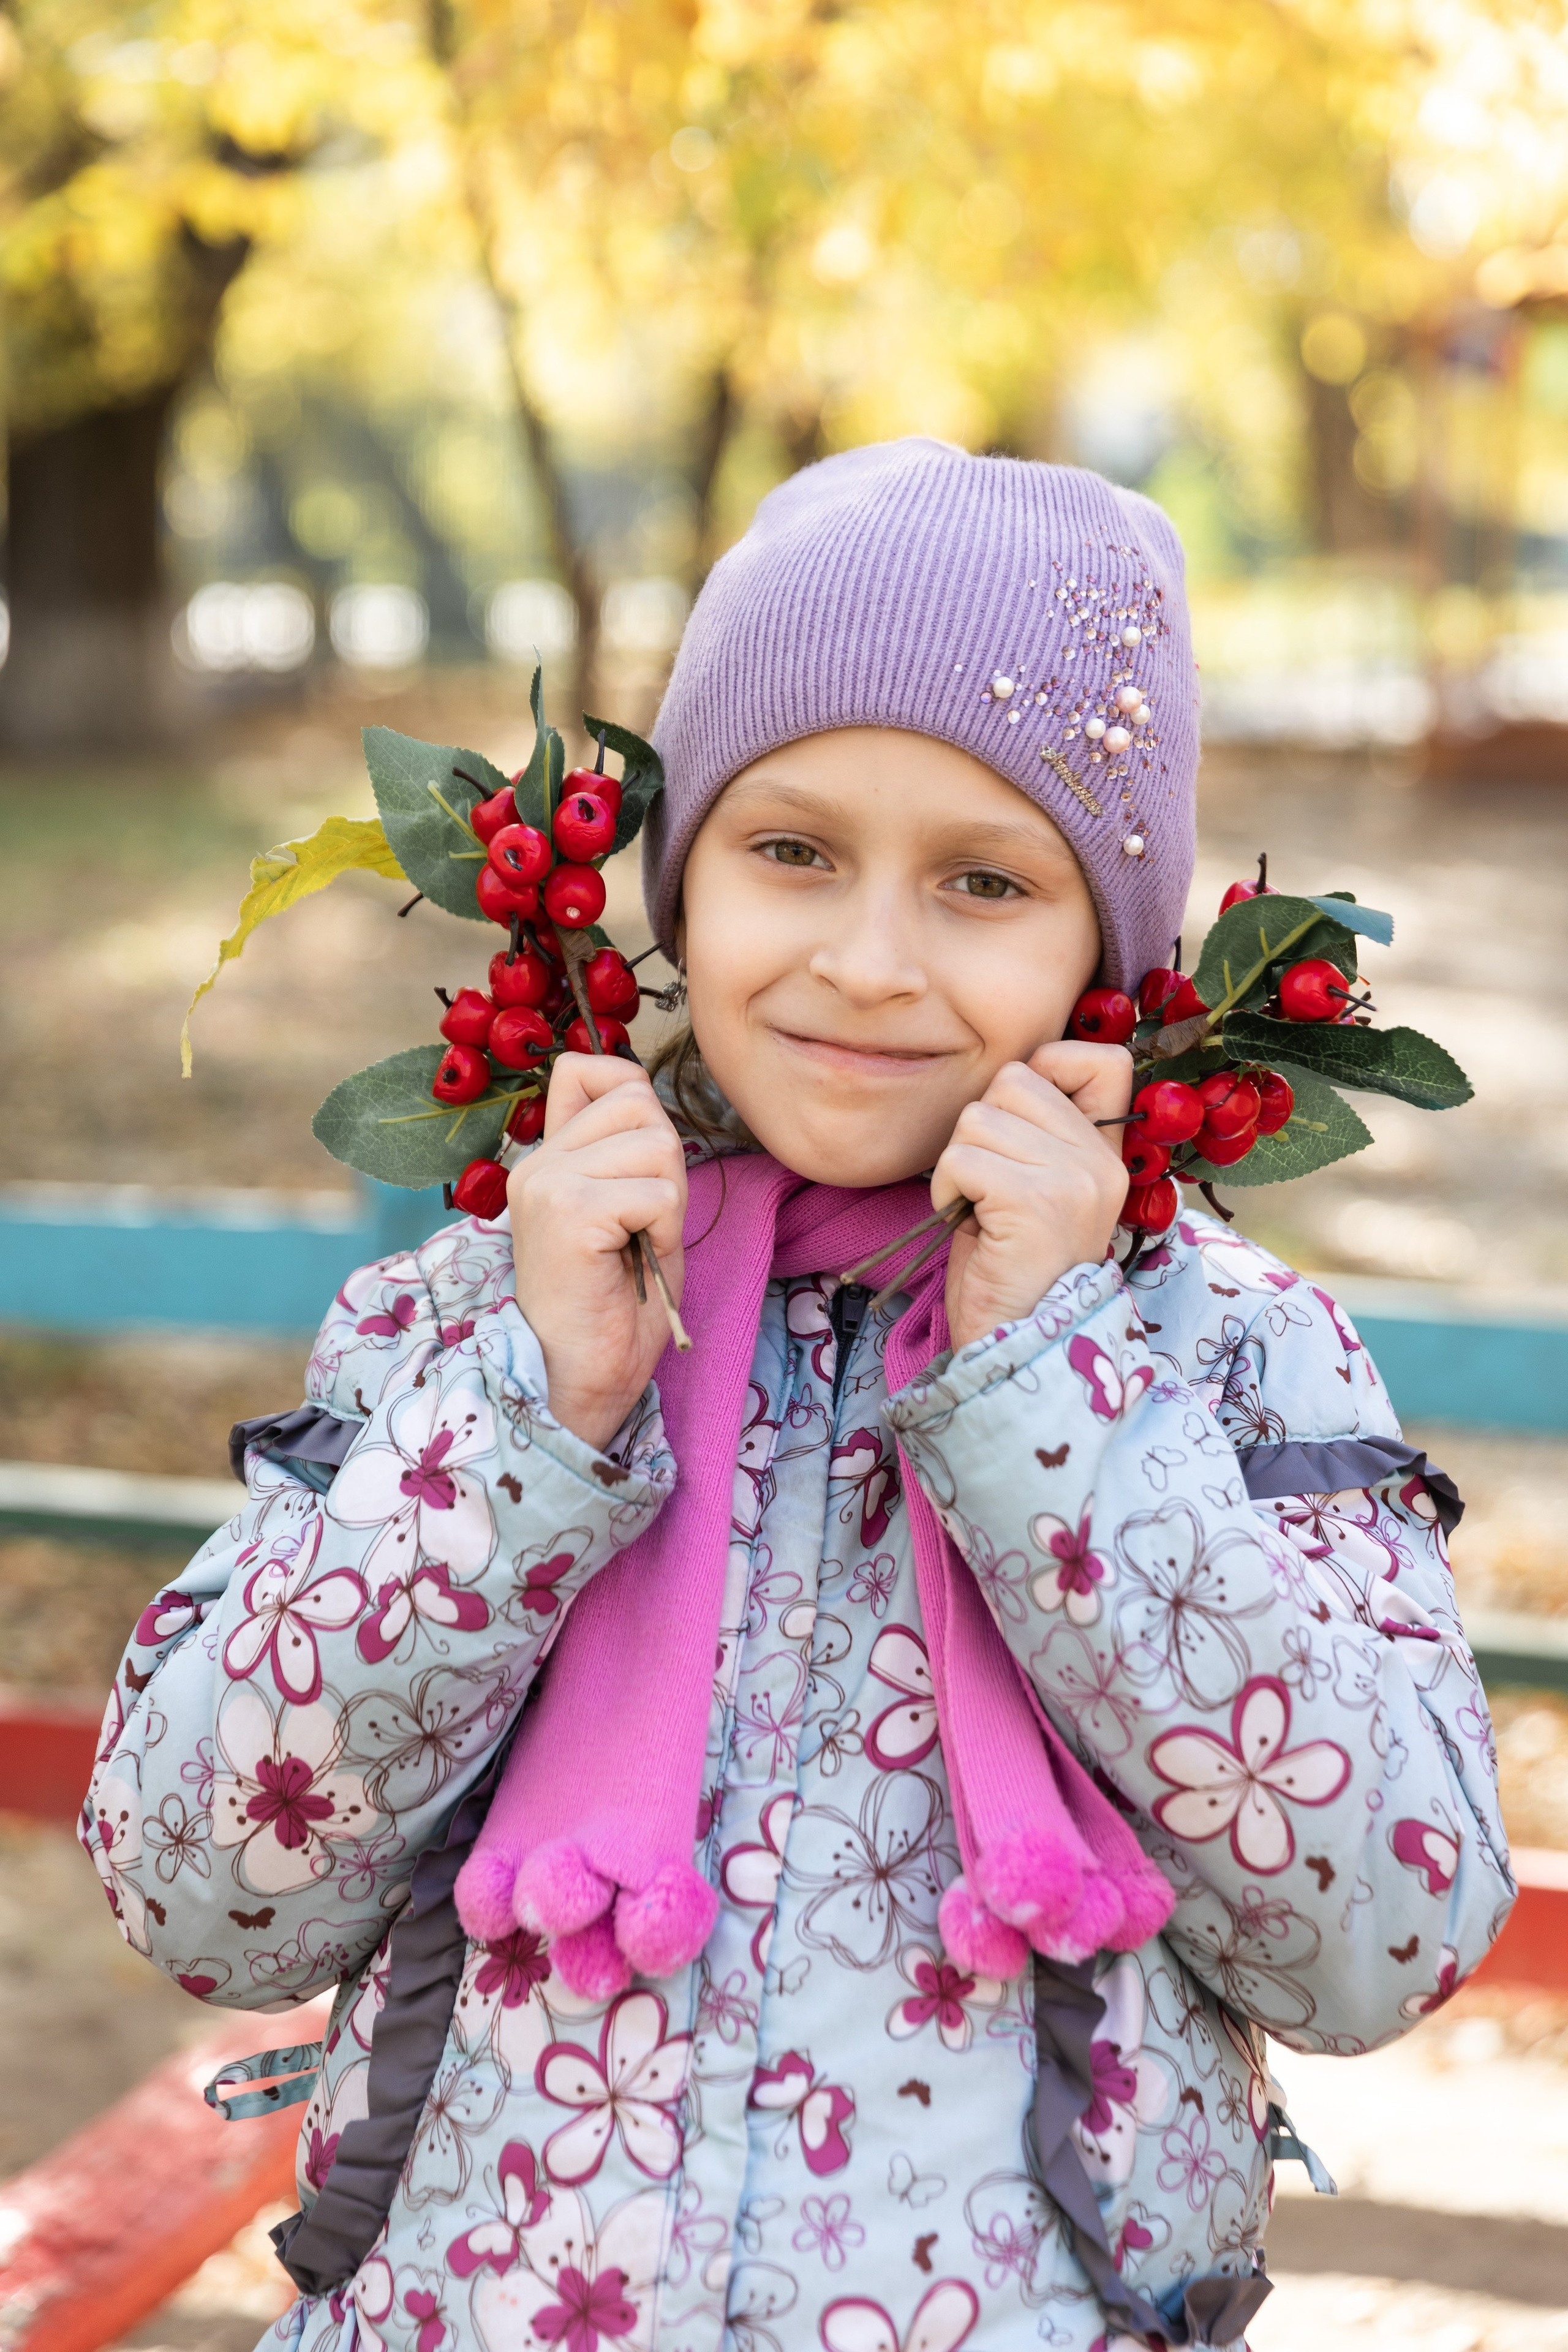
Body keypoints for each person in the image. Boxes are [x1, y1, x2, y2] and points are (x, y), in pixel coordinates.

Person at [84, 441, 1510, 2352]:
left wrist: (1045, 1393)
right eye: (792, 850)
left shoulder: (1219, 1362)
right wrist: (534, 1420)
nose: (865, 958)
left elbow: (1381, 1940)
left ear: (1114, 951)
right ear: (678, 881)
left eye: (987, 881)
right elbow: (200, 1889)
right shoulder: (493, 1309)